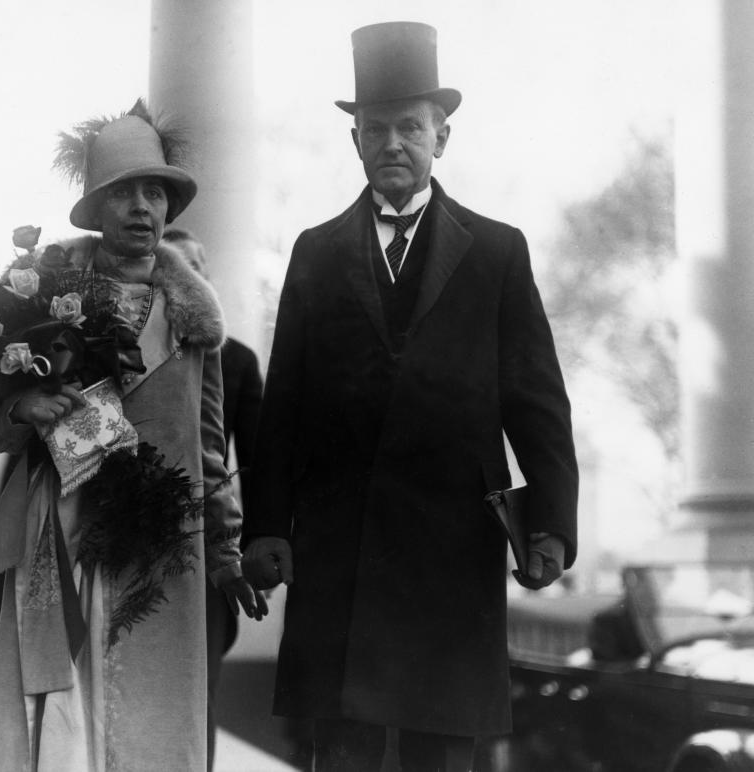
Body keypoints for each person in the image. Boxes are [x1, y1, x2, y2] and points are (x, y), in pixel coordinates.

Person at [242, 22, 579, 772]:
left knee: (442, 747)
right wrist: (266, 525)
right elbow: (285, 401)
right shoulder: (314, 251)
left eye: (410, 127)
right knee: (345, 745)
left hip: (452, 542)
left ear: (442, 136)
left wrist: (551, 521)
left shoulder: (497, 250)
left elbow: (536, 398)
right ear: (355, 141)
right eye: (376, 129)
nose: (393, 143)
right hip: (340, 543)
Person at [0, 100, 267, 772]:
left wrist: (224, 551)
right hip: (69, 534)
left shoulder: (194, 319)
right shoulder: (44, 303)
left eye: (155, 192)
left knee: (157, 717)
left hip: (168, 543)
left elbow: (210, 447)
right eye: (124, 193)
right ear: (96, 207)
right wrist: (25, 406)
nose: (142, 208)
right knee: (72, 718)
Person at [162, 226, 265, 770]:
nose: (187, 279)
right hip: (130, 539)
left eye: (196, 269)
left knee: (197, 694)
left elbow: (250, 463)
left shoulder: (238, 361)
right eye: (175, 267)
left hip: (203, 551)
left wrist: (237, 553)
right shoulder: (126, 347)